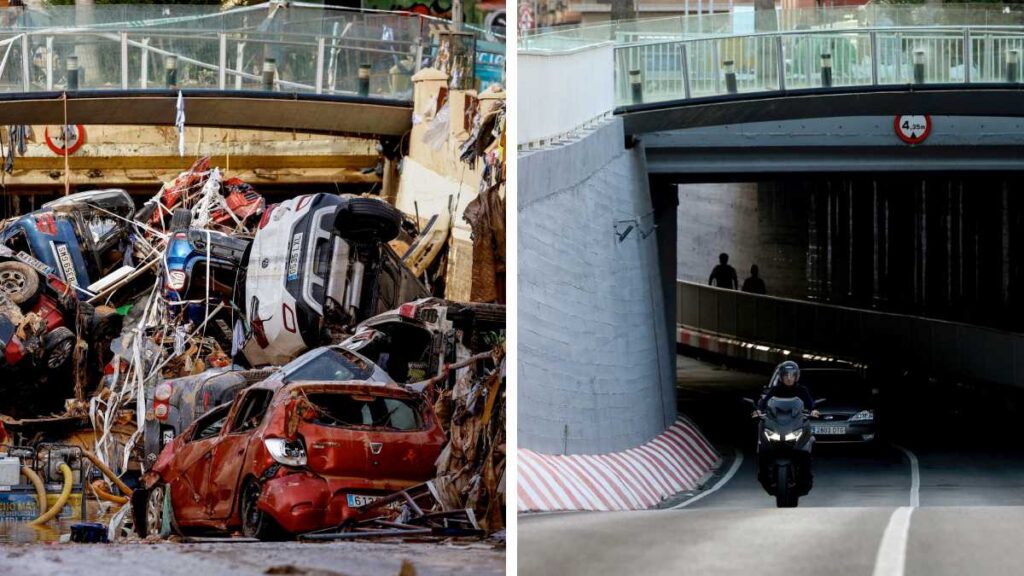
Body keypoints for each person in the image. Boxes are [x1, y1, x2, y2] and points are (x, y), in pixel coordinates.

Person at [755, 361, 820, 417]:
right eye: (786, 376)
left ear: (796, 377)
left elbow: (809, 402)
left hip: (797, 422)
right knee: (762, 424)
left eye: (792, 376)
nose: (789, 378)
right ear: (781, 377)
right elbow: (765, 401)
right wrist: (759, 410)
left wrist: (813, 410)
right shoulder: (775, 390)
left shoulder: (801, 390)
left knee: (807, 427)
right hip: (777, 420)